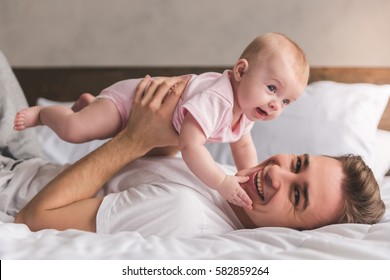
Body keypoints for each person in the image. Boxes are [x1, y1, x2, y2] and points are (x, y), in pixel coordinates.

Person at [13, 33, 310, 210]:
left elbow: (242, 144)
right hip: (130, 103)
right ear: (241, 71)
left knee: (94, 122)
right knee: (75, 130)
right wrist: (222, 182)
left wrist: (245, 175)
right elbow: (189, 145)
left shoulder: (245, 111)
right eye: (272, 88)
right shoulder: (219, 98)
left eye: (285, 101)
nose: (275, 105)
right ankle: (45, 115)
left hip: (141, 121)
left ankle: (88, 106)